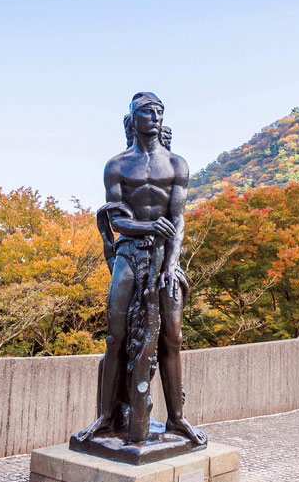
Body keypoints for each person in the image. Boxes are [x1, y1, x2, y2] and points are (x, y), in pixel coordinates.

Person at [75, 92, 206, 445]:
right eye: (147, 111)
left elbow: (177, 219)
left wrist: (173, 263)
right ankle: (105, 416)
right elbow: (117, 218)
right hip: (129, 254)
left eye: (160, 110)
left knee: (173, 338)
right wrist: (148, 228)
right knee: (115, 336)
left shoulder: (177, 164)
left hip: (165, 256)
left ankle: (177, 419)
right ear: (133, 118)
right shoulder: (117, 165)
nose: (155, 115)